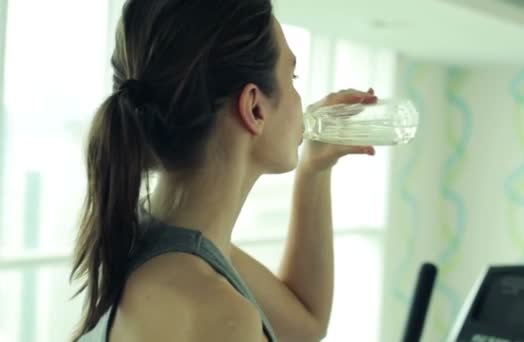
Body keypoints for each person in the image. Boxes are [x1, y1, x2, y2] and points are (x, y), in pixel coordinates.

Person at [70, 0, 378, 341]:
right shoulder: (212, 311)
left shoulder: (161, 237)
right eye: (291, 77)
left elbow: (304, 325)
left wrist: (314, 170)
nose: (299, 97)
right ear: (254, 107)